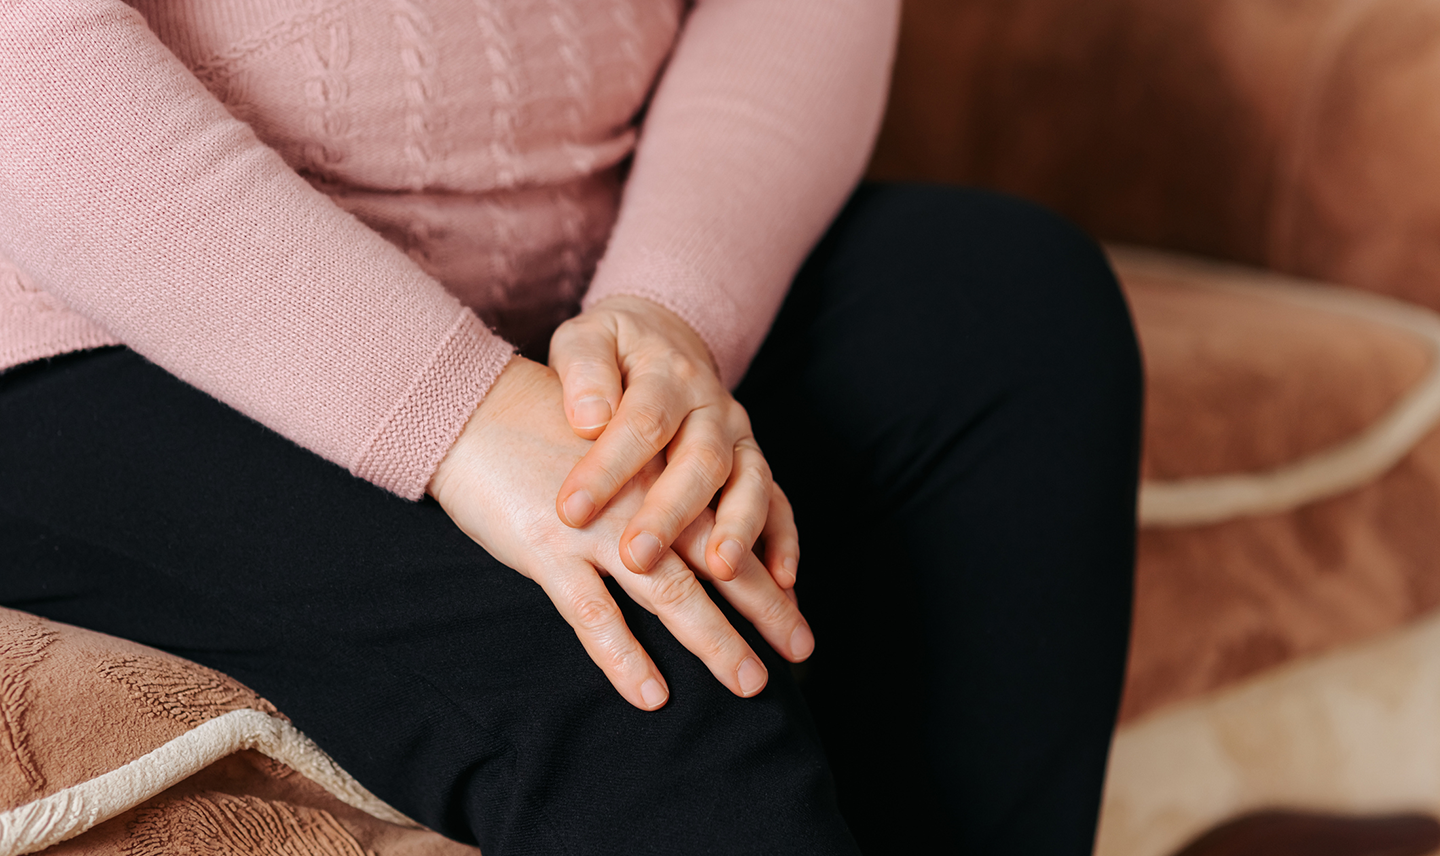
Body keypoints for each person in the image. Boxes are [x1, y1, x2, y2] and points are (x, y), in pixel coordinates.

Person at [0, 1, 1142, 853]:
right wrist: (457, 411)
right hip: (102, 321)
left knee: (1008, 313)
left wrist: (666, 324)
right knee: (634, 635)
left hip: (581, 273)